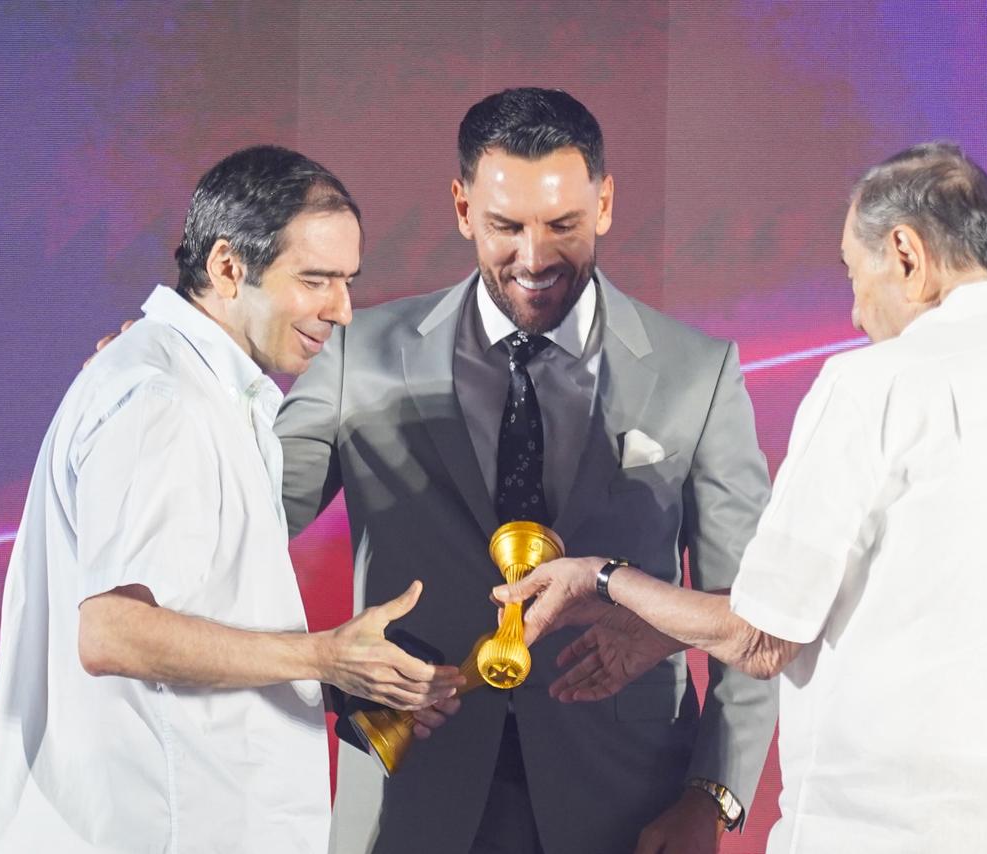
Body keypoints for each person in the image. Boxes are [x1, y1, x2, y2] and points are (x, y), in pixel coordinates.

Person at [496, 142, 987, 854]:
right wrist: (668, 629)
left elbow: (766, 637)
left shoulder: (874, 383)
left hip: (897, 821)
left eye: (853, 274)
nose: (857, 312)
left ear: (904, 253)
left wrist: (606, 579)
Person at [276, 88, 778, 854]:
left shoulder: (697, 374)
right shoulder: (357, 355)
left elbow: (756, 603)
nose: (535, 258)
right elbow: (240, 515)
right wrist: (179, 390)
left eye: (563, 225)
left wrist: (713, 794)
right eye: (507, 226)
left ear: (605, 203)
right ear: (461, 208)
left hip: (627, 804)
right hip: (407, 801)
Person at [0, 146, 464, 854]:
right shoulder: (164, 399)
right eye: (317, 280)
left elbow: (199, 623)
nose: (344, 310)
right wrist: (324, 657)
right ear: (229, 267)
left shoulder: (208, 392)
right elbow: (114, 631)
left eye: (348, 281)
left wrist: (344, 679)